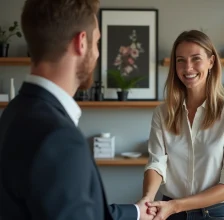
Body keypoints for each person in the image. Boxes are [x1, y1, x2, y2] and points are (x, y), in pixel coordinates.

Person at [0, 0, 155, 219]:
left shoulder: (13, 113)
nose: (98, 54)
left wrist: (137, 212)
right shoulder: (59, 138)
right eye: (97, 43)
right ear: (81, 42)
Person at [142, 30, 224, 220]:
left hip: (214, 215)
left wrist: (176, 206)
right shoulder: (163, 113)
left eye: (195, 59)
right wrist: (147, 200)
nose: (187, 67)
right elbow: (156, 163)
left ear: (211, 62)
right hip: (169, 212)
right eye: (180, 60)